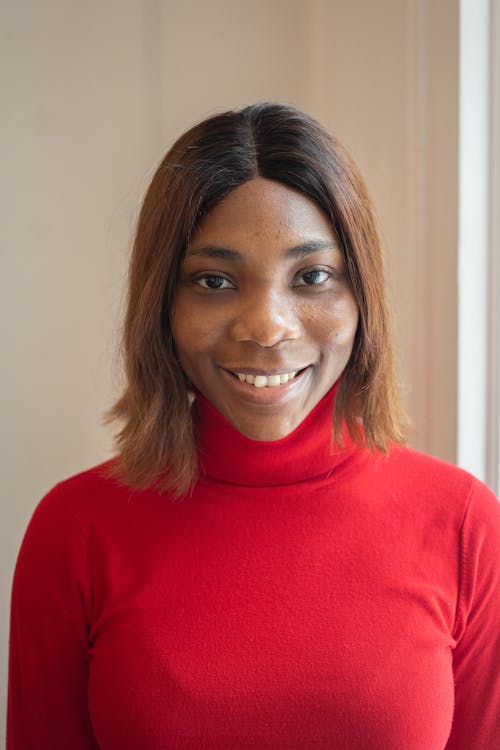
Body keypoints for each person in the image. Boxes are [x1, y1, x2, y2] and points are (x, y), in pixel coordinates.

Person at [7, 103, 500, 749]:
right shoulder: (76, 529)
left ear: (363, 299)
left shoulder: (461, 523)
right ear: (162, 305)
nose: (267, 326)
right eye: (214, 280)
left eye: (313, 277)